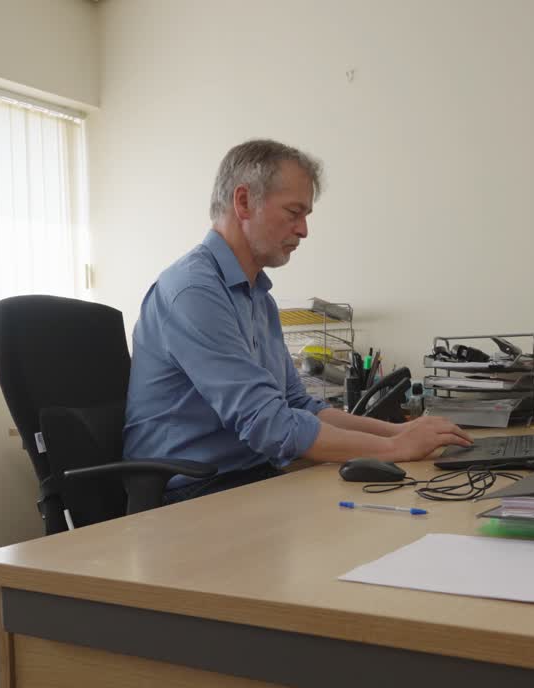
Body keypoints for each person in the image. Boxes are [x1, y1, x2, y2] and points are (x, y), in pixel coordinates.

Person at [124, 139, 472, 504]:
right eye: (293, 213)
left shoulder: (259, 297)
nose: (304, 230)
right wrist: (396, 448)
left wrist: (399, 432)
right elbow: (269, 426)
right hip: (188, 493)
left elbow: (298, 407)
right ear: (243, 202)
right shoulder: (193, 291)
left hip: (247, 477)